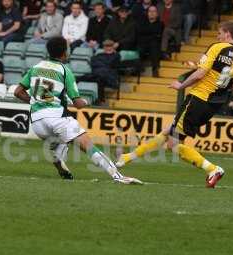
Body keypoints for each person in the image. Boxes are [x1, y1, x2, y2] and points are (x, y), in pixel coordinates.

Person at [116, 21, 233, 188]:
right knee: (169, 130)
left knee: (173, 145)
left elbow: (200, 73)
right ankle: (127, 157)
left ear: (227, 34)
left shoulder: (217, 47)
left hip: (198, 98)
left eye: (219, 33)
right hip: (213, 104)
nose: (217, 36)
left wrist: (181, 86)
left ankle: (213, 169)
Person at [14, 36, 141, 184]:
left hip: (36, 122)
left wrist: (35, 101)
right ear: (64, 53)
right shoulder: (64, 70)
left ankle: (58, 157)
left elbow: (17, 92)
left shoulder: (36, 68)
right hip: (56, 117)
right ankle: (118, 176)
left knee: (62, 139)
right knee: (88, 145)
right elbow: (78, 103)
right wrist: (87, 101)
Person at [137, 5, 162, 77]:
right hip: (143, 43)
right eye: (150, 11)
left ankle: (155, 69)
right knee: (140, 48)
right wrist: (151, 33)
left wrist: (147, 32)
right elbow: (140, 32)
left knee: (154, 47)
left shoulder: (160, 23)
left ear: (157, 14)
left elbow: (157, 34)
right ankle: (138, 68)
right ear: (147, 13)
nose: (152, 13)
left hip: (153, 44)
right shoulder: (142, 22)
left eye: (154, 11)